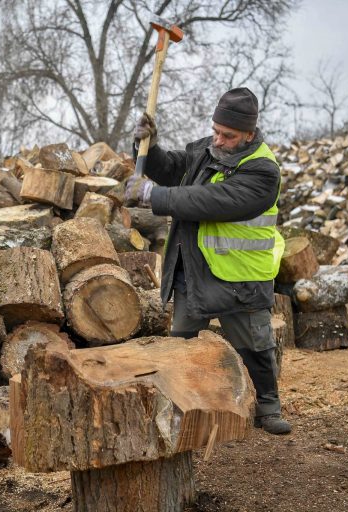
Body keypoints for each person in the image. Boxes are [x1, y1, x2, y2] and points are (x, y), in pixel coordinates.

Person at [128, 87, 291, 435]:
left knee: (256, 347)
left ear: (249, 133)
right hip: (196, 269)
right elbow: (172, 170)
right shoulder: (206, 149)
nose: (218, 140)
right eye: (216, 130)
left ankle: (268, 405)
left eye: (228, 135)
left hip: (242, 276)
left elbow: (211, 200)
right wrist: (148, 148)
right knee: (182, 345)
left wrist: (150, 195)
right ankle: (184, 408)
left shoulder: (263, 170)